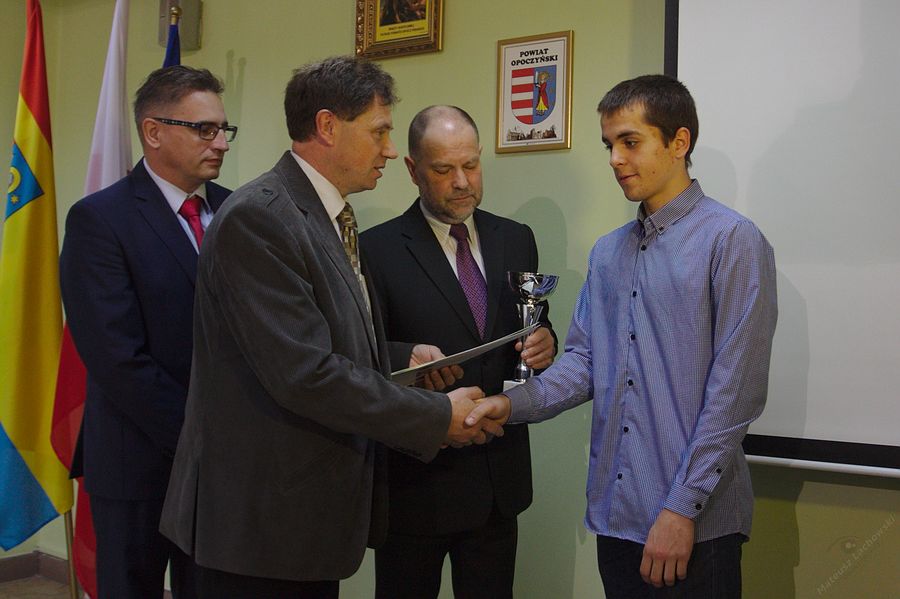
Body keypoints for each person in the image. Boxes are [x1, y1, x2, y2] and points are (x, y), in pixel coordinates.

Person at [159, 56, 501, 599]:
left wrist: (399, 358)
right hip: (260, 525)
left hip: (303, 520)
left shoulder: (327, 214)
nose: (390, 149)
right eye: (379, 131)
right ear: (327, 126)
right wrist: (437, 416)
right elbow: (306, 374)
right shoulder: (261, 217)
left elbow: (320, 339)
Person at [467, 74, 778, 598]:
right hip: (617, 519)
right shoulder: (608, 253)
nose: (615, 159)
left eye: (630, 142)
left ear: (679, 142)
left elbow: (736, 393)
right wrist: (510, 404)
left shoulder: (732, 240)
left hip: (696, 527)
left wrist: (681, 509)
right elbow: (584, 363)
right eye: (609, 144)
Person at [360, 105, 557, 599]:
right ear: (412, 170)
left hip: (498, 481)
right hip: (417, 484)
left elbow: (530, 322)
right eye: (444, 169)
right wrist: (404, 356)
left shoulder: (516, 238)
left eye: (471, 165)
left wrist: (544, 341)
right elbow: (358, 351)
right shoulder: (374, 250)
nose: (462, 182)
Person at [59, 65, 235, 599]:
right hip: (136, 458)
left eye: (223, 129)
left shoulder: (237, 210)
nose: (221, 143)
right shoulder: (100, 219)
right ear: (153, 132)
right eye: (204, 129)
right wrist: (199, 435)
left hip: (224, 462)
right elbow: (116, 357)